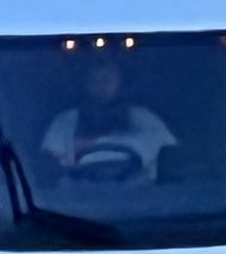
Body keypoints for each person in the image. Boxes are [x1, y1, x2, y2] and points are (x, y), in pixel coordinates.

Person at [42, 60, 175, 182]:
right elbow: (51, 163)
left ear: (120, 83)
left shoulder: (145, 118)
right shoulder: (65, 122)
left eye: (107, 80)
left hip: (142, 198)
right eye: (93, 81)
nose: (100, 87)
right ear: (85, 85)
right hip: (80, 198)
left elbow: (171, 157)